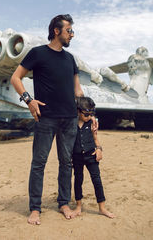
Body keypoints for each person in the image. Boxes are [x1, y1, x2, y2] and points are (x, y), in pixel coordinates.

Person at [10, 14, 84, 225]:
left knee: (66, 163)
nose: (72, 34)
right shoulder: (38, 53)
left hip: (69, 118)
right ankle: (35, 208)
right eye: (69, 30)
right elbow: (16, 77)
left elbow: (78, 90)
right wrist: (29, 101)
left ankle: (63, 202)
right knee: (39, 163)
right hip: (46, 118)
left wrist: (89, 115)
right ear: (57, 31)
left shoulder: (70, 59)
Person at [72, 96, 115, 218]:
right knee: (78, 180)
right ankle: (78, 206)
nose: (89, 116)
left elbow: (95, 138)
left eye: (91, 114)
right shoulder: (72, 123)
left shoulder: (92, 123)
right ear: (78, 111)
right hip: (77, 156)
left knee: (97, 180)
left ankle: (102, 207)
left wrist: (99, 149)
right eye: (86, 114)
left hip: (91, 155)